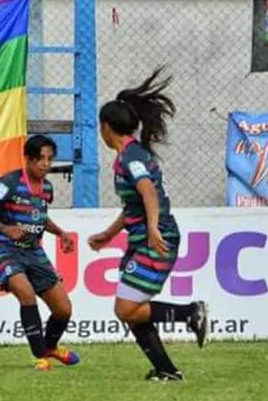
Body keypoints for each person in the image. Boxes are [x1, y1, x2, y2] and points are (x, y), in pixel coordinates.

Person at [87, 66, 208, 382]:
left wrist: (153, 227)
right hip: (142, 238)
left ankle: (190, 312)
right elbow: (133, 207)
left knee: (125, 308)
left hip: (157, 238)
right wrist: (107, 235)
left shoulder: (131, 157)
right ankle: (167, 370)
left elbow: (148, 191)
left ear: (106, 127)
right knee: (131, 307)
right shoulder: (127, 155)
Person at [0, 134, 80, 371]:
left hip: (34, 252)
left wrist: (60, 233)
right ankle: (40, 356)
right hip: (3, 248)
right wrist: (6, 229)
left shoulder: (47, 188)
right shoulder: (8, 183)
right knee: (26, 293)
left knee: (64, 309)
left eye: (50, 159)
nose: (45, 164)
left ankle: (51, 347)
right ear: (28, 159)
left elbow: (39, 219)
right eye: (40, 159)